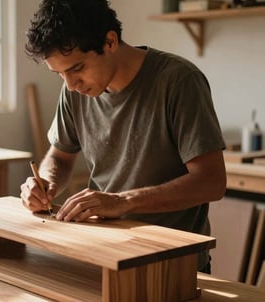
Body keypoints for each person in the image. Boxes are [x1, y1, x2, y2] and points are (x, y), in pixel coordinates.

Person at [20, 0, 226, 273]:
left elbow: (211, 182)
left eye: (77, 68)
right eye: (59, 74)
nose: (70, 85)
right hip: (104, 250)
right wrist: (45, 181)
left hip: (171, 261)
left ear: (110, 41)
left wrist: (122, 202)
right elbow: (59, 156)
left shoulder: (179, 81)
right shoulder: (74, 92)